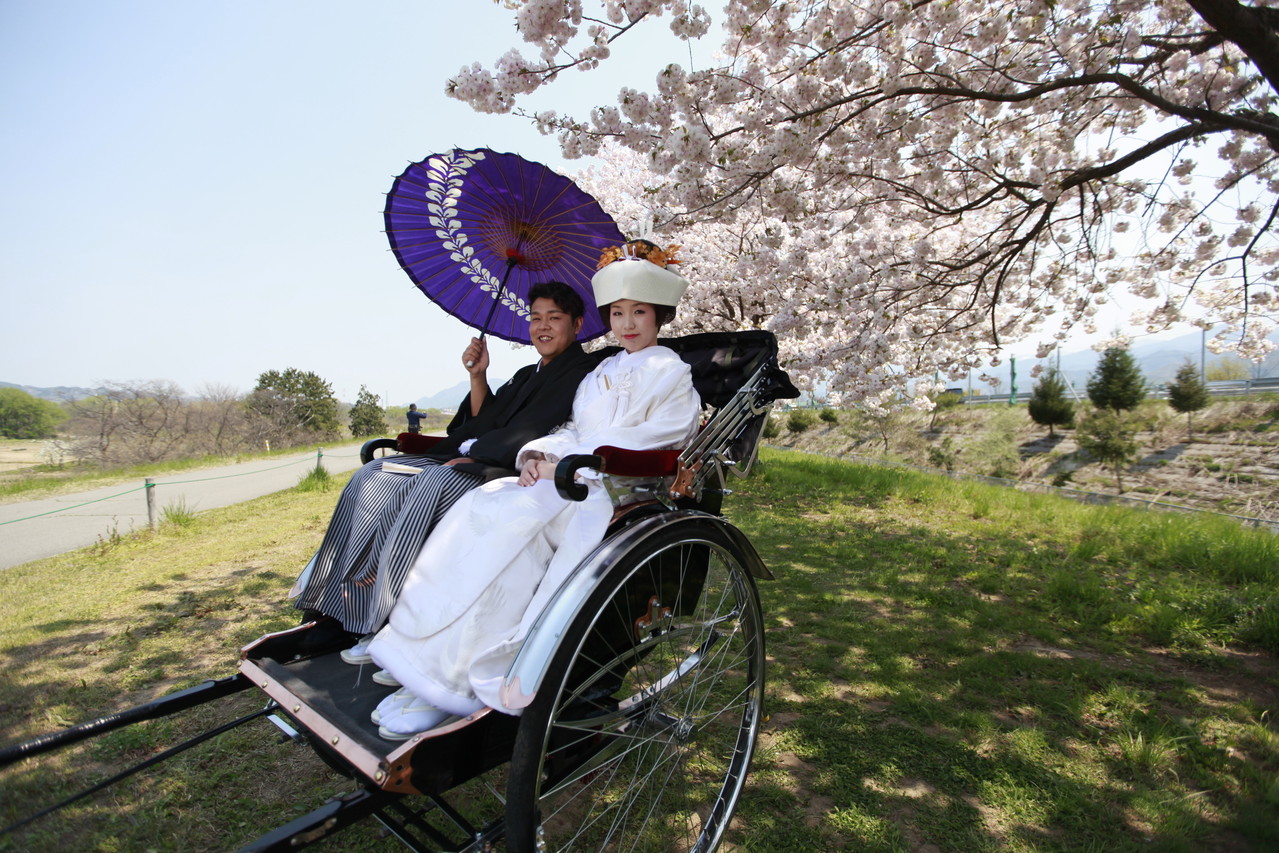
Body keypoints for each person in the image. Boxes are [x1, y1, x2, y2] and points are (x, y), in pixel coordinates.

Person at [368, 240, 702, 739]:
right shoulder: (602, 371)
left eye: (639, 312)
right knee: (481, 508)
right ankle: (423, 658)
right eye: (617, 313)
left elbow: (658, 440)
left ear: (659, 316)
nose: (628, 323)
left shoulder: (673, 373)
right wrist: (540, 454)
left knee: (513, 540)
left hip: (612, 488)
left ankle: (453, 682)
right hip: (566, 476)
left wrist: (572, 464)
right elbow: (573, 427)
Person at [292, 281, 598, 647]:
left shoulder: (582, 370)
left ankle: (374, 614)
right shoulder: (524, 375)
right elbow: (486, 419)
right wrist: (478, 375)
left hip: (502, 466)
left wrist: (476, 454)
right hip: (470, 453)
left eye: (554, 318)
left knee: (430, 484)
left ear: (577, 324)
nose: (542, 326)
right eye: (535, 318)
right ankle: (328, 600)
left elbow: (531, 430)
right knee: (372, 475)